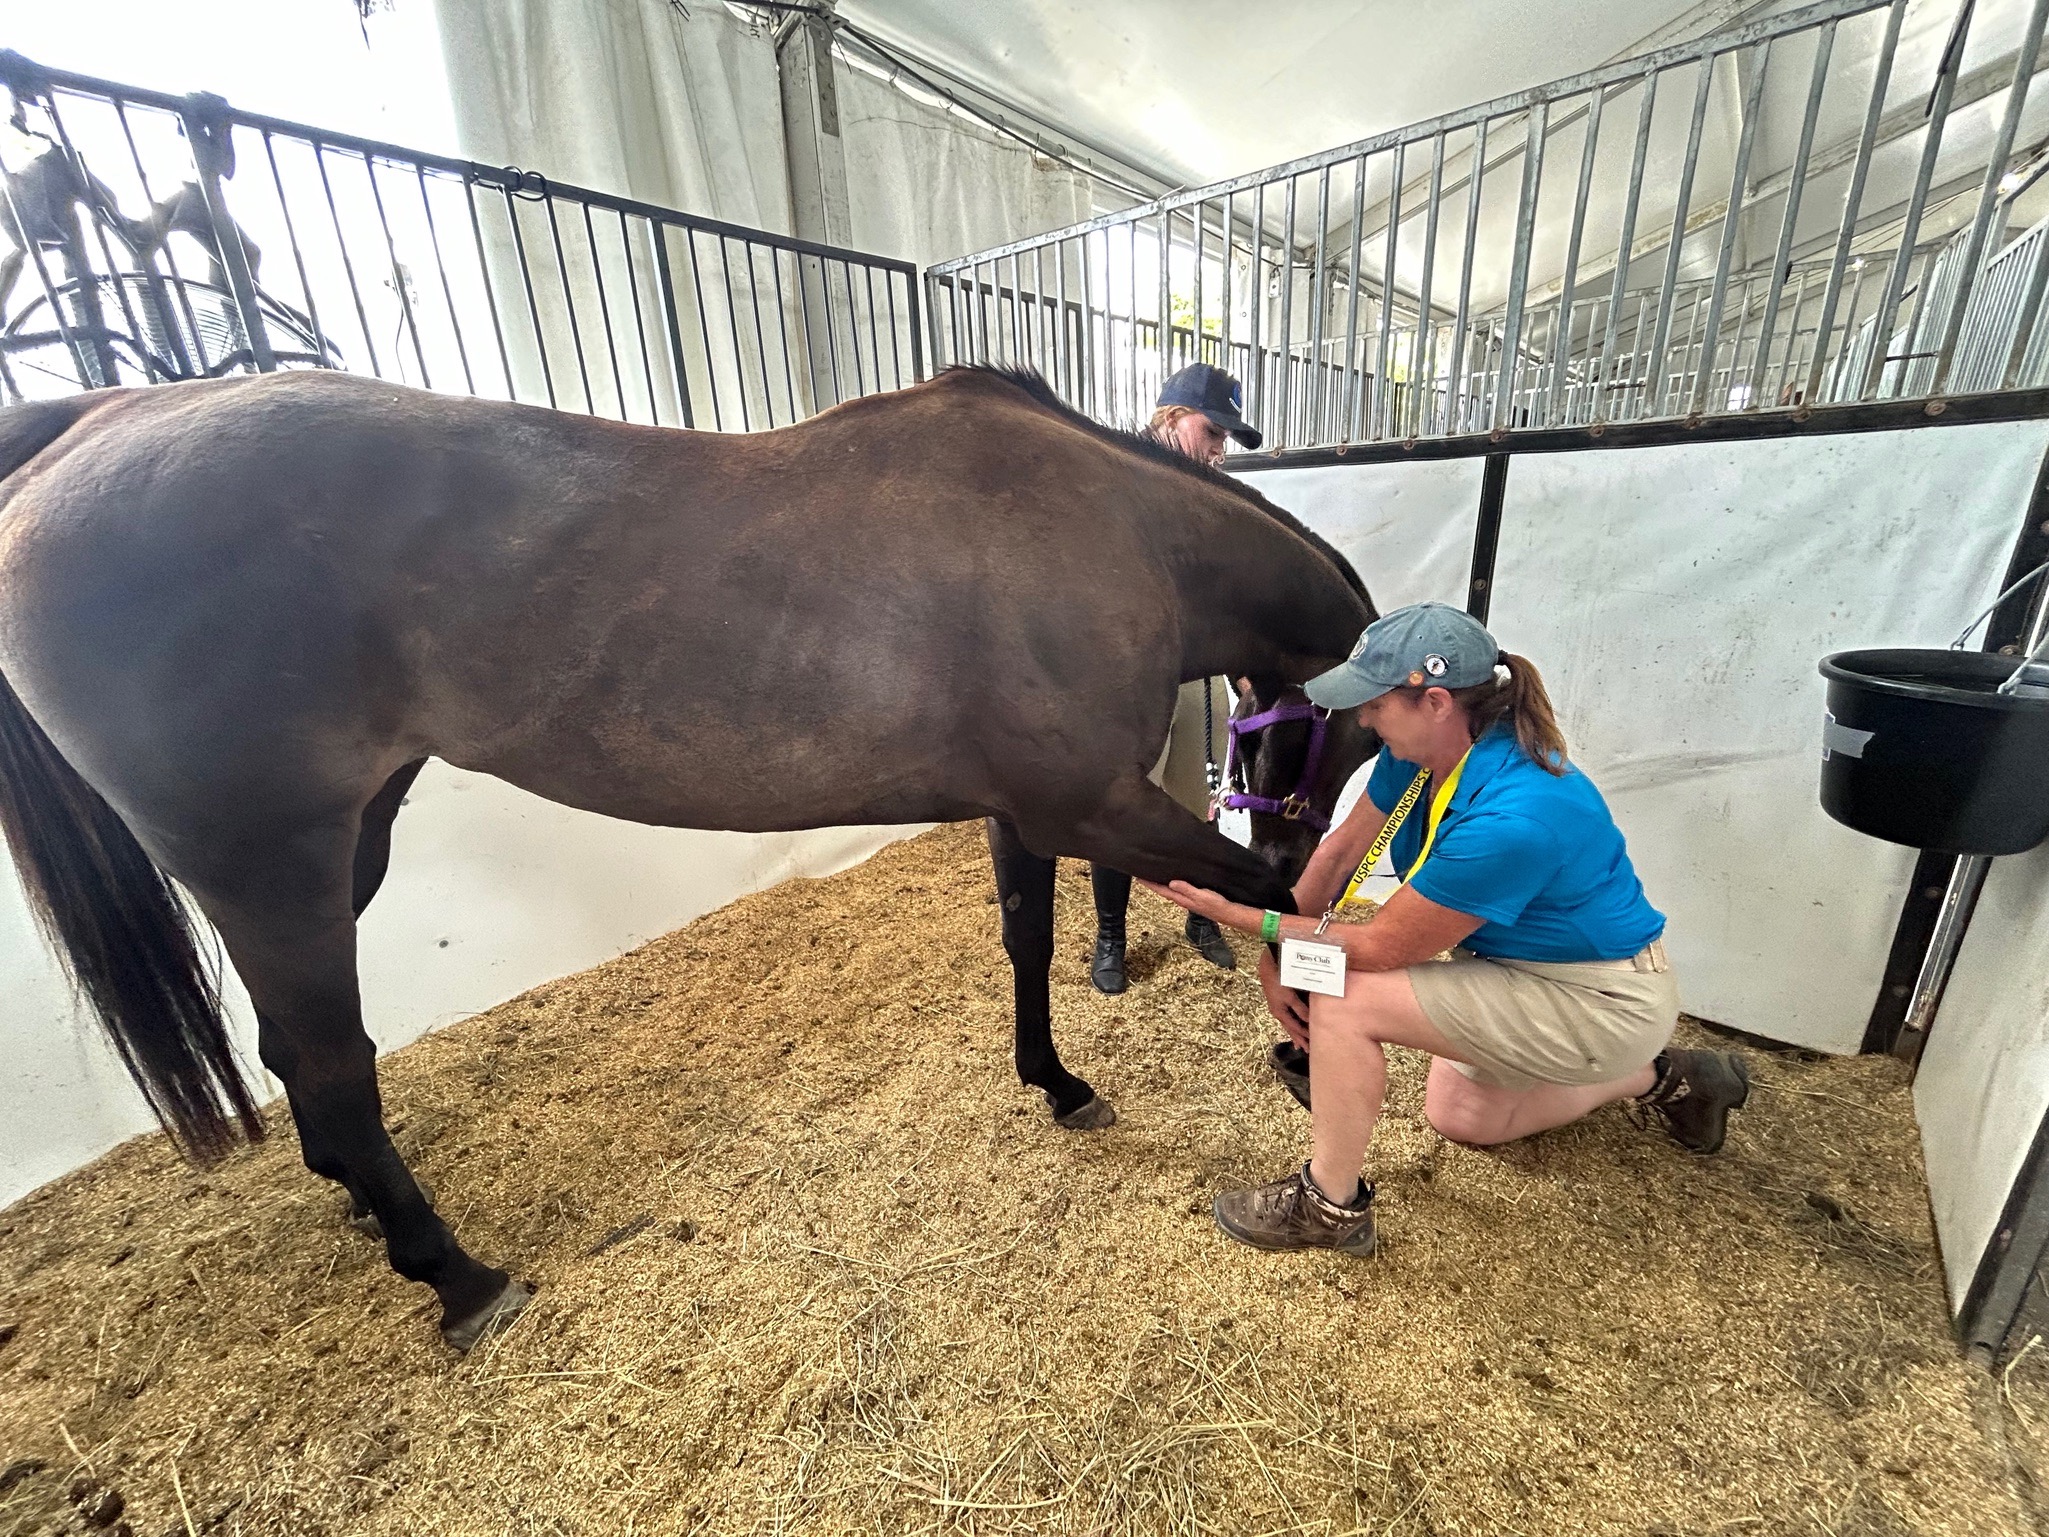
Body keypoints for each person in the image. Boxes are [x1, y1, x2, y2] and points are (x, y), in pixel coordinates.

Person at [1144, 602, 1750, 1256]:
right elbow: (1342, 850)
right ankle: (1674, 1077)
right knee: (1459, 1116)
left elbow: (1377, 947)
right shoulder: (1426, 750)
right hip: (1520, 971)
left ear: (1433, 700)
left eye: (1373, 702)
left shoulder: (1514, 816)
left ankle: (1329, 1207)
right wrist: (1274, 953)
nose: (1363, 717)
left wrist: (1239, 915)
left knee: (1345, 1000)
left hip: (1600, 997)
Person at [1088, 362, 1263, 995]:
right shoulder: (1111, 486)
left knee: (1201, 800)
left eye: (1224, 441)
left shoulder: (1214, 504)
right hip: (1126, 679)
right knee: (1120, 808)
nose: (1218, 451)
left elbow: (1233, 599)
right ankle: (1111, 934)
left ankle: (1202, 916)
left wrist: (1243, 671)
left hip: (1195, 678)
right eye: (1212, 433)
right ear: (1169, 418)